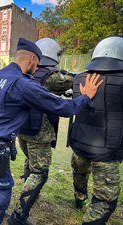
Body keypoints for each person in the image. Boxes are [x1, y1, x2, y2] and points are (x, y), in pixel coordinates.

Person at [0, 37, 103, 225]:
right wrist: (86, 96)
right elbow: (64, 108)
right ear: (32, 59)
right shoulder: (22, 84)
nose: (37, 69)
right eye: (37, 64)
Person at [10, 38, 74, 224]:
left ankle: (29, 194)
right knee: (40, 172)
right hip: (40, 132)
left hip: (22, 130)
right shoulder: (51, 76)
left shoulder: (23, 72)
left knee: (31, 163)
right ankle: (19, 215)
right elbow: (71, 81)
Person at [69, 36, 123, 225]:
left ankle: (79, 199)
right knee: (105, 200)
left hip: (80, 143)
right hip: (107, 150)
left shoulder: (78, 78)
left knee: (80, 175)